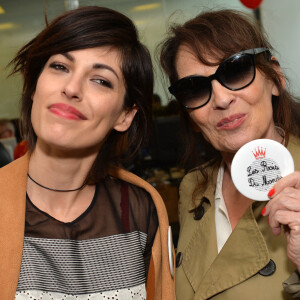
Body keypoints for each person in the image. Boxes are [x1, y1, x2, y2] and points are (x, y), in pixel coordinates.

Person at [0, 6, 176, 299]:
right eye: (59, 67)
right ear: (33, 87)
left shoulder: (141, 209)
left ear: (125, 116)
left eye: (101, 80)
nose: (71, 88)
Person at [160, 9, 300, 299]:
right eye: (195, 89)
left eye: (236, 70)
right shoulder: (193, 189)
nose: (222, 99)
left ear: (275, 78)